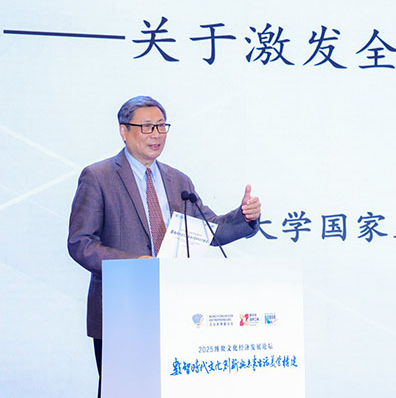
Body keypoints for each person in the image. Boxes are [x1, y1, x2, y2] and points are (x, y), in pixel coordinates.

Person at [67, 96, 261, 397]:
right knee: (125, 391)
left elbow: (208, 229)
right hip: (123, 307)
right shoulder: (98, 177)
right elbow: (81, 243)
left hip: (175, 307)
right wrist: (133, 266)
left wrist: (244, 217)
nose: (156, 134)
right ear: (123, 131)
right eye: (147, 127)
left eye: (161, 126)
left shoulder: (177, 180)